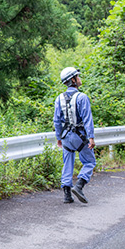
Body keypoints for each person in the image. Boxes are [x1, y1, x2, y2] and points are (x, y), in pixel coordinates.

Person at [53, 67, 96, 204]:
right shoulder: (82, 97)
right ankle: (79, 185)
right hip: (81, 136)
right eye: (78, 76)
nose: (79, 78)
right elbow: (87, 119)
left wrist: (59, 137)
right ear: (73, 80)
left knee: (68, 162)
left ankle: (67, 194)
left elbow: (56, 120)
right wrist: (91, 137)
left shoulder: (59, 98)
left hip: (66, 136)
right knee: (89, 162)